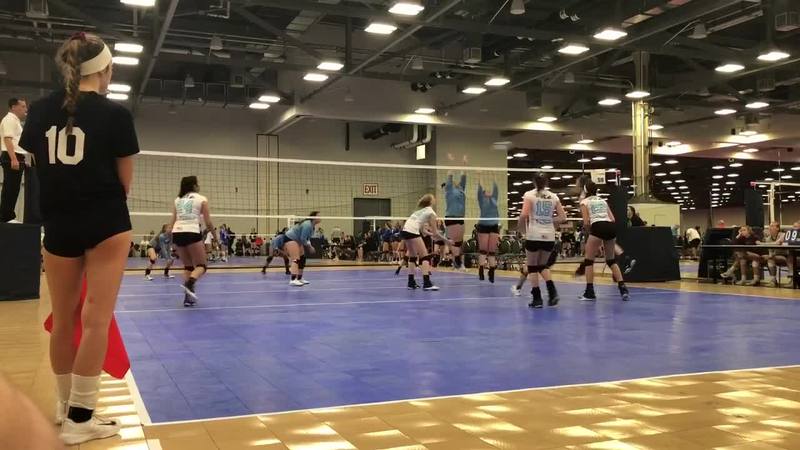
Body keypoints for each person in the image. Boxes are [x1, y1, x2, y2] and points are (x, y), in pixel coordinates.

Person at [19, 31, 138, 445]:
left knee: (64, 319)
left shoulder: (38, 111)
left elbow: (40, 169)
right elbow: (124, 183)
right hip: (106, 224)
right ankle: (80, 421)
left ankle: (64, 407)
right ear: (105, 70)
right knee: (95, 320)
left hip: (59, 225)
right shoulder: (116, 115)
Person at [518, 173, 566, 308]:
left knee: (532, 267)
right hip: (549, 236)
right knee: (542, 266)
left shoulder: (529, 195)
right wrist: (549, 220)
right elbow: (563, 217)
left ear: (534, 182)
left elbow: (524, 215)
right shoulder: (554, 196)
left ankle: (537, 299)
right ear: (546, 182)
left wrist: (522, 229)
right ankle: (552, 293)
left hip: (534, 234)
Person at [578, 180, 629, 301]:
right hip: (610, 227)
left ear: (585, 191)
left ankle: (589, 292)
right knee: (611, 260)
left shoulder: (584, 202)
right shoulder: (602, 200)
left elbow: (586, 222)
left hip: (597, 226)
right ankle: (623, 288)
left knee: (589, 261)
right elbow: (612, 219)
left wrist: (591, 235)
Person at [169, 175, 216, 306]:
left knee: (188, 266)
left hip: (177, 232)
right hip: (191, 232)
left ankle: (188, 298)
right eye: (197, 183)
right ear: (194, 185)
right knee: (202, 266)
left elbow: (171, 223)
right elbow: (208, 222)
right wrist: (215, 236)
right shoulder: (201, 199)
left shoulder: (177, 200)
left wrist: (172, 241)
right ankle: (190, 283)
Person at [401, 194, 452, 290]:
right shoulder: (431, 212)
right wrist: (446, 240)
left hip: (405, 231)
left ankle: (411, 283)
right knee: (425, 257)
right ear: (431, 201)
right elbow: (436, 233)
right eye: (433, 198)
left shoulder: (420, 211)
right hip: (412, 231)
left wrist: (430, 234)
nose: (435, 199)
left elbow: (422, 229)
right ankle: (427, 283)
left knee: (412, 257)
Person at [0, 97, 29, 222]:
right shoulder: (9, 120)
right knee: (10, 188)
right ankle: (6, 216)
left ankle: (8, 215)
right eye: (22, 106)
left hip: (17, 156)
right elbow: (7, 139)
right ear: (13, 107)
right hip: (11, 156)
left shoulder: (16, 121)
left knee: (14, 188)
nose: (25, 109)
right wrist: (13, 159)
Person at [283, 212, 320, 286]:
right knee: (296, 259)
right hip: (290, 238)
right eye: (318, 216)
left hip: (297, 240)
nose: (320, 217)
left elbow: (306, 238)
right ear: (313, 217)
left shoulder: (312, 226)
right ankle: (293, 280)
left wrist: (309, 245)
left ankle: (299, 278)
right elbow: (303, 239)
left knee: (302, 258)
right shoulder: (307, 225)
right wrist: (310, 247)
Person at [443, 169, 467, 270]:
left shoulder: (461, 189)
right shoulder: (449, 190)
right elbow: (449, 179)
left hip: (460, 217)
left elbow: (464, 178)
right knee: (453, 241)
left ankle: (457, 262)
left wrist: (464, 166)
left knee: (459, 242)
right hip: (451, 217)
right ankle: (458, 262)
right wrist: (450, 172)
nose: (456, 183)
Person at [477, 181, 500, 283]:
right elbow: (479, 188)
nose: (489, 192)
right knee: (483, 250)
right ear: (483, 194)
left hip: (494, 226)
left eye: (490, 191)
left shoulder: (494, 198)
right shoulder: (481, 199)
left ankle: (491, 272)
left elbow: (496, 188)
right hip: (483, 225)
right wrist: (479, 179)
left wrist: (494, 178)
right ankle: (481, 270)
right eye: (486, 191)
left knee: (491, 251)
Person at [758, 221, 790, 287]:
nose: (770, 228)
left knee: (770, 258)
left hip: (786, 257)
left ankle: (774, 280)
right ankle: (771, 280)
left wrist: (761, 244)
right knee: (760, 258)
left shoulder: (783, 235)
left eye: (772, 226)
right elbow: (770, 251)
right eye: (770, 226)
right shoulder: (768, 238)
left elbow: (777, 243)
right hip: (775, 257)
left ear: (777, 228)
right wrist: (769, 255)